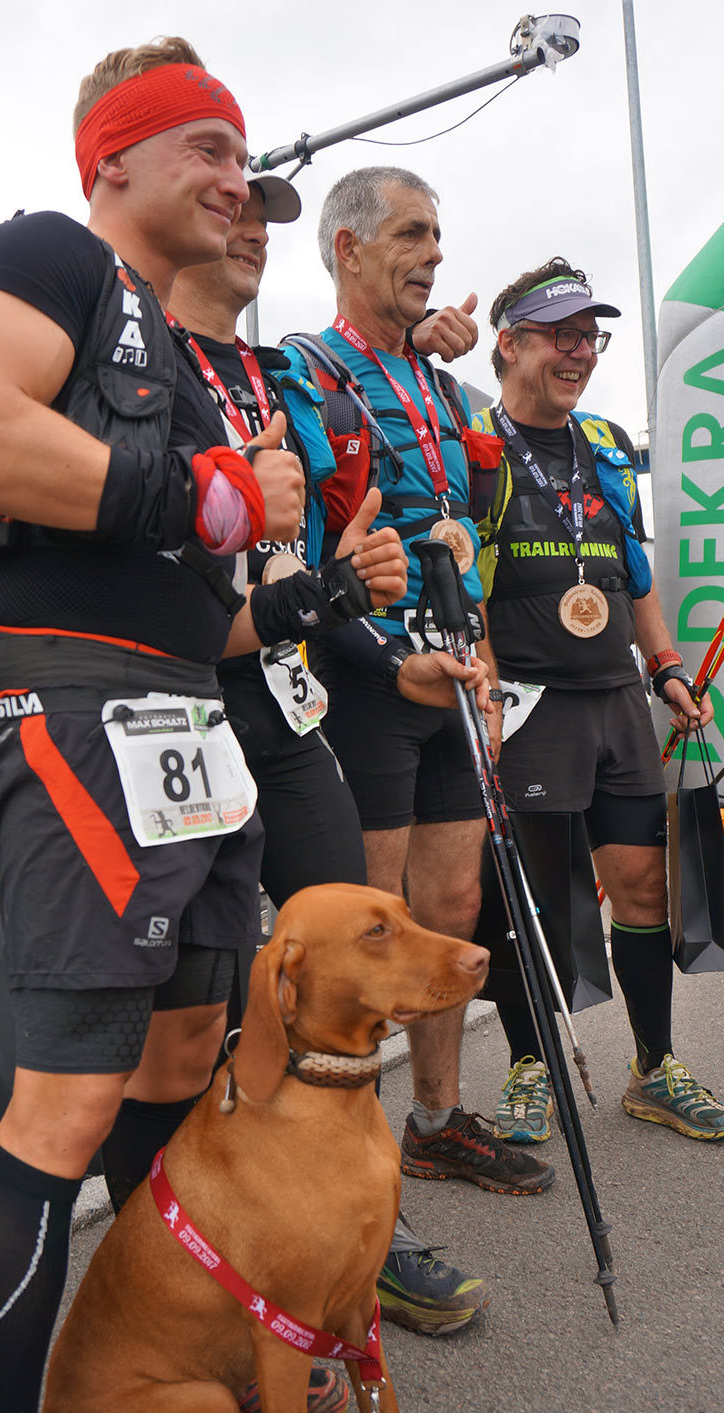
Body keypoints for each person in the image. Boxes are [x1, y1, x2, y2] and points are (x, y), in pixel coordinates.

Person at [0, 38, 393, 1413]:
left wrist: (312, 595)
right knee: (61, 1109)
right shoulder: (45, 253)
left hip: (190, 726)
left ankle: (175, 1350)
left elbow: (201, 615)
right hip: (77, 718)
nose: (237, 179)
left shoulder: (179, 363)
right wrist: (203, 488)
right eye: (208, 148)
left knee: (183, 1067)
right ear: (114, 157)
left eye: (243, 153)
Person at [165, 172, 492, 1337]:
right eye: (412, 233)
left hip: (287, 694)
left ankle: (375, 1203)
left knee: (371, 947)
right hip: (196, 697)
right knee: (209, 1011)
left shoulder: (274, 370)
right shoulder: (222, 363)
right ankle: (219, 1246)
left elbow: (305, 545)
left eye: (264, 218)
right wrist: (348, 615)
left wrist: (343, 589)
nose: (250, 231)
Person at [281, 166, 556, 1198]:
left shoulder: (443, 386)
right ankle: (336, 1156)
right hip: (366, 684)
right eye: (410, 234)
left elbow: (464, 540)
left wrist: (484, 666)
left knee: (449, 906)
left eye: (437, 234)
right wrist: (393, 662)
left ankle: (435, 1121)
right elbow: (301, 562)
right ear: (347, 248)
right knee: (366, 926)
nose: (434, 253)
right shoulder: (306, 369)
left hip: (455, 678)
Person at [471, 256, 724, 1144]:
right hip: (530, 710)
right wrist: (484, 690)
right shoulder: (476, 450)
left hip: (617, 701)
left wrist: (666, 667)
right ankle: (531, 1065)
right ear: (508, 344)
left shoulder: (607, 442)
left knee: (641, 889)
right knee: (542, 905)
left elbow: (634, 577)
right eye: (561, 334)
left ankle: (653, 1067)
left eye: (590, 337)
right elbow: (465, 590)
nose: (580, 351)